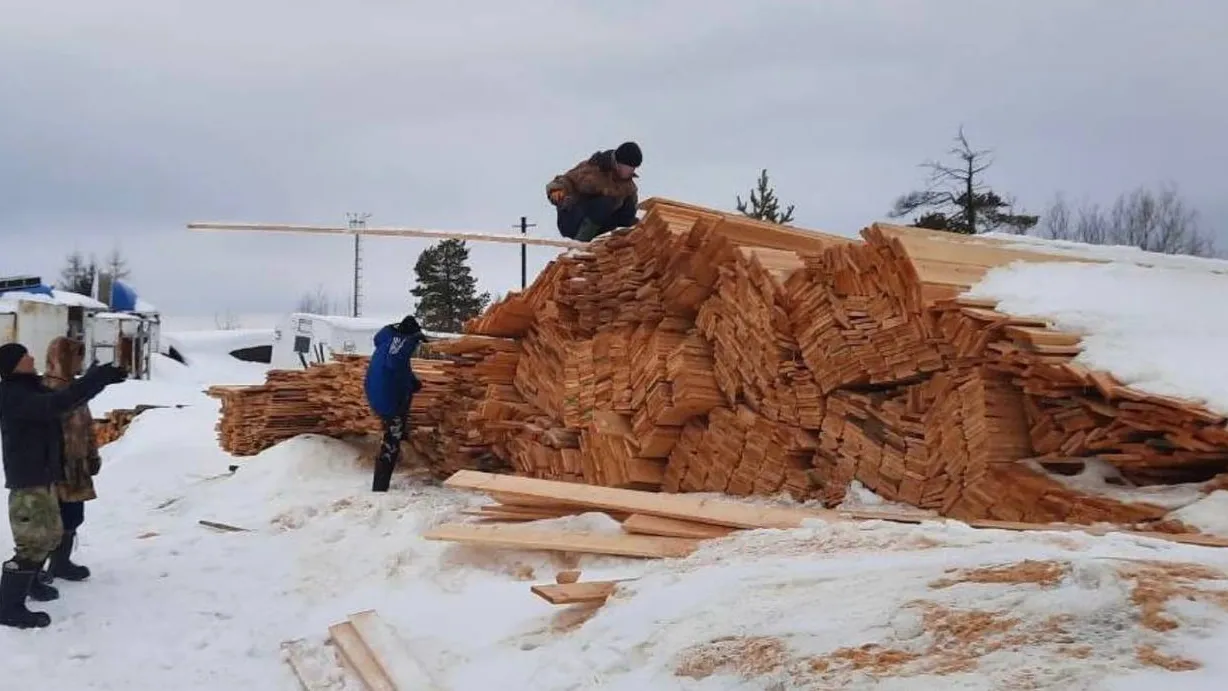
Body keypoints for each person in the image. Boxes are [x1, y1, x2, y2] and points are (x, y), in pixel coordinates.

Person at [0, 342, 126, 629]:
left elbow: (67, 397)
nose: (32, 357)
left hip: (43, 476)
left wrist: (97, 378)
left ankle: (30, 585)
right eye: (25, 356)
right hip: (28, 479)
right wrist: (97, 380)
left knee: (51, 534)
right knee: (34, 542)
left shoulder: (29, 388)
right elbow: (56, 404)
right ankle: (8, 607)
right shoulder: (13, 395)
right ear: (14, 365)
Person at [42, 337, 101, 583]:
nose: (80, 362)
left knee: (73, 516)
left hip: (76, 465)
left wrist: (92, 454)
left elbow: (86, 425)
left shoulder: (76, 389)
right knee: (49, 518)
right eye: (77, 356)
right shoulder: (46, 389)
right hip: (54, 467)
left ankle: (61, 563)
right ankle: (35, 571)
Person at [362, 316, 428, 493]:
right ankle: (380, 487)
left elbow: (399, 368)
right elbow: (395, 364)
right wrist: (409, 385)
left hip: (375, 389)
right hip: (386, 395)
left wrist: (412, 381)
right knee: (392, 438)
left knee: (397, 421)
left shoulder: (389, 340)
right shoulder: (401, 344)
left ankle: (401, 438)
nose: (416, 348)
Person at [546, 141, 642, 242]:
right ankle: (580, 245)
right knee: (605, 203)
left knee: (629, 209)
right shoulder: (594, 167)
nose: (631, 171)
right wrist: (557, 190)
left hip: (598, 226)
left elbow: (629, 215)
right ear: (618, 163)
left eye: (633, 168)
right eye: (629, 168)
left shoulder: (629, 187)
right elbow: (567, 180)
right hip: (572, 220)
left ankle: (616, 244)